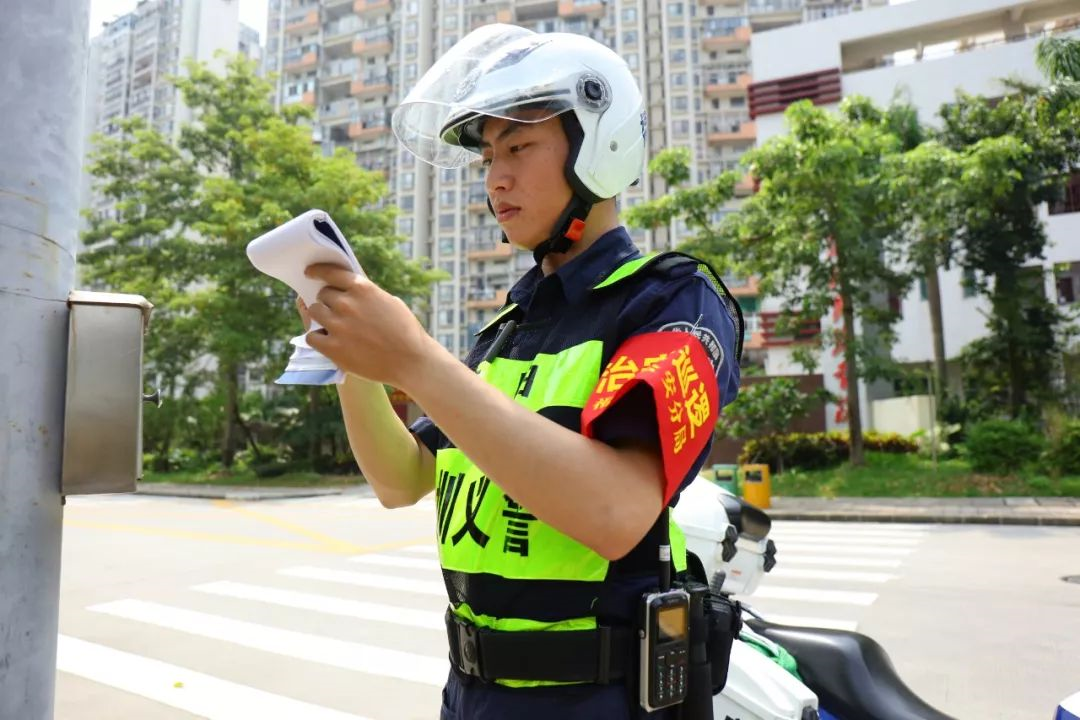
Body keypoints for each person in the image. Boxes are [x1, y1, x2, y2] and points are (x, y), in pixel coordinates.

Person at [299, 24, 743, 720]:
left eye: (519, 146)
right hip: (473, 694)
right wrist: (356, 363)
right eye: (487, 158)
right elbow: (403, 479)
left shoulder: (672, 302)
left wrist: (415, 358)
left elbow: (616, 511)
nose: (496, 176)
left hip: (598, 700)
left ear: (598, 144)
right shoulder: (508, 327)